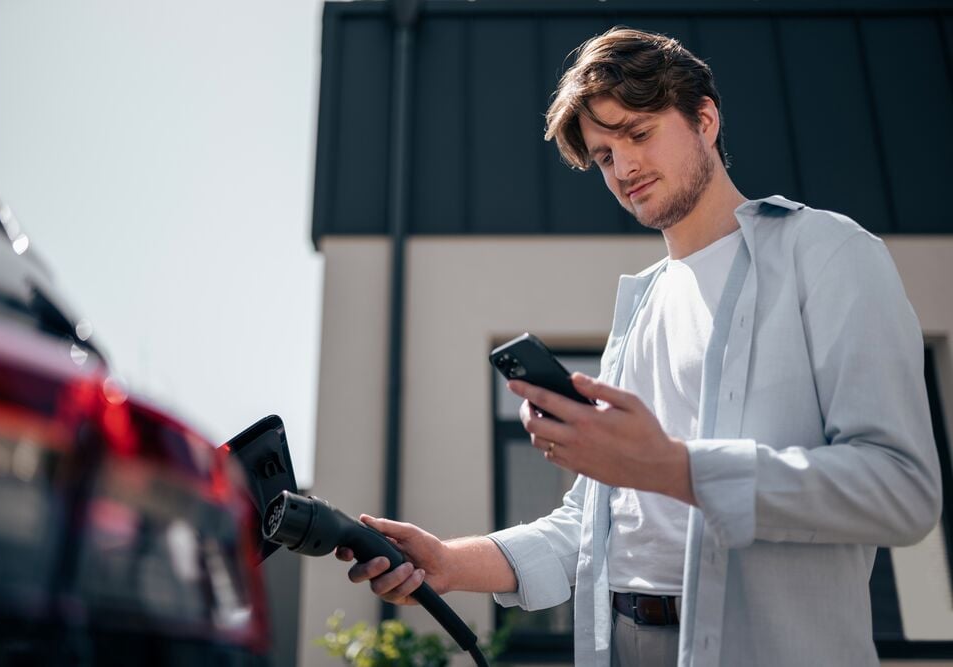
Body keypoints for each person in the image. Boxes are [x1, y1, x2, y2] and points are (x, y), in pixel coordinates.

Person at [337, 27, 942, 667]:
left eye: (638, 133)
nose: (623, 169)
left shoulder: (827, 254)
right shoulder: (644, 302)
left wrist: (675, 468)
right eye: (602, 156)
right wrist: (451, 563)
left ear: (704, 119)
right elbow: (596, 524)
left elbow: (902, 491)